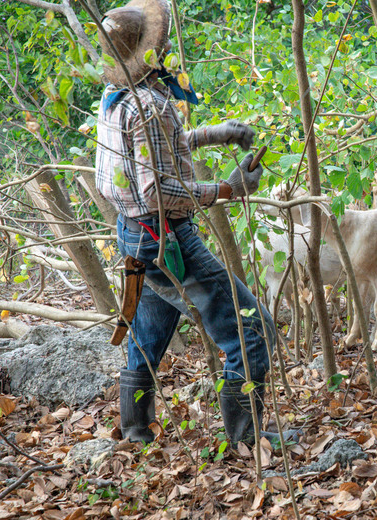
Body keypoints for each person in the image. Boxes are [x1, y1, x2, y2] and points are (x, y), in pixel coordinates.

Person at [94, 0, 291, 446]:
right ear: (153, 50)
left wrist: (214, 133)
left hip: (135, 235)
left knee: (146, 335)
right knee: (250, 329)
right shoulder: (151, 105)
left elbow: (154, 151)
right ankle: (247, 438)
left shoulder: (116, 100)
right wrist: (228, 188)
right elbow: (156, 191)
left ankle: (134, 430)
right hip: (166, 235)